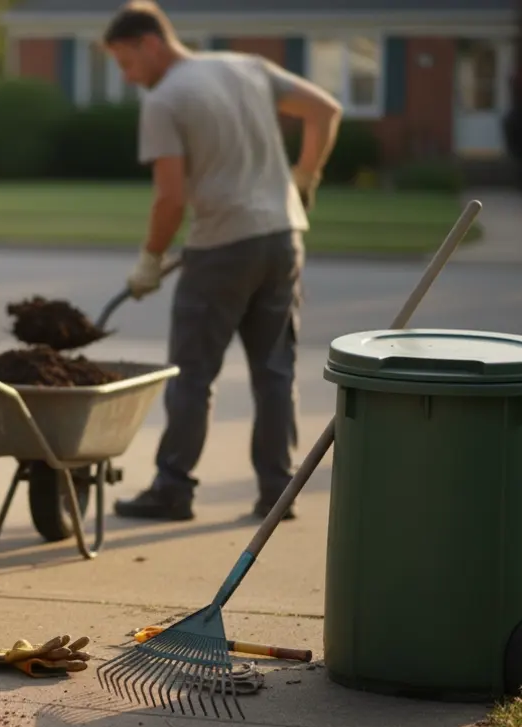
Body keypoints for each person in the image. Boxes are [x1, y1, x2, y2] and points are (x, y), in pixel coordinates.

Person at [103, 1, 343, 522]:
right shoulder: (246, 67)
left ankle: (173, 489)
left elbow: (169, 200)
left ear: (150, 43)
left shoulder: (165, 99)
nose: (128, 77)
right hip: (283, 238)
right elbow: (326, 110)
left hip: (220, 249)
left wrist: (149, 260)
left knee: (192, 375)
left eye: (126, 63)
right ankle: (278, 492)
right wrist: (305, 177)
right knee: (276, 371)